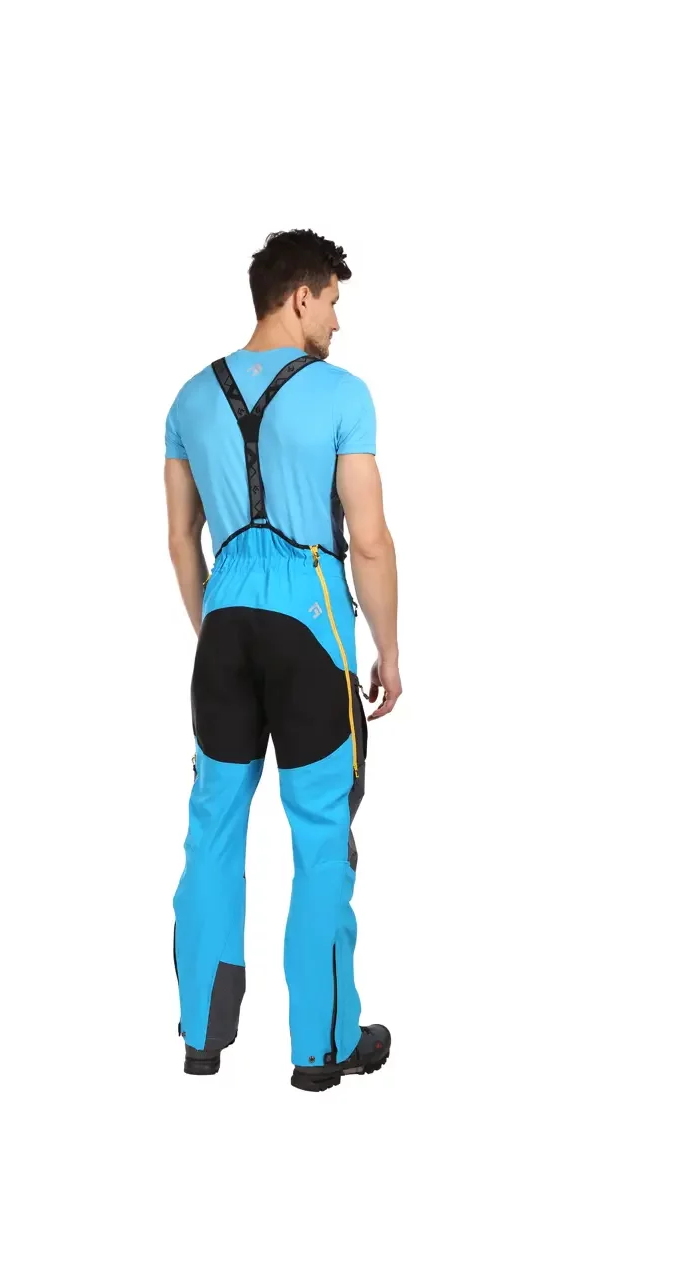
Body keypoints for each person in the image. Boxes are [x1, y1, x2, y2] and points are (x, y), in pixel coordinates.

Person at [163, 229, 401, 1092]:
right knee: (321, 837)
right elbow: (367, 541)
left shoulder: (190, 398)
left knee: (213, 828)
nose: (337, 321)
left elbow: (181, 541)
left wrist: (217, 630)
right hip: (313, 630)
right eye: (332, 301)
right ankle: (322, 1048)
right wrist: (389, 651)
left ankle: (202, 1035)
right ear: (300, 295)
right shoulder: (342, 393)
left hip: (224, 628)